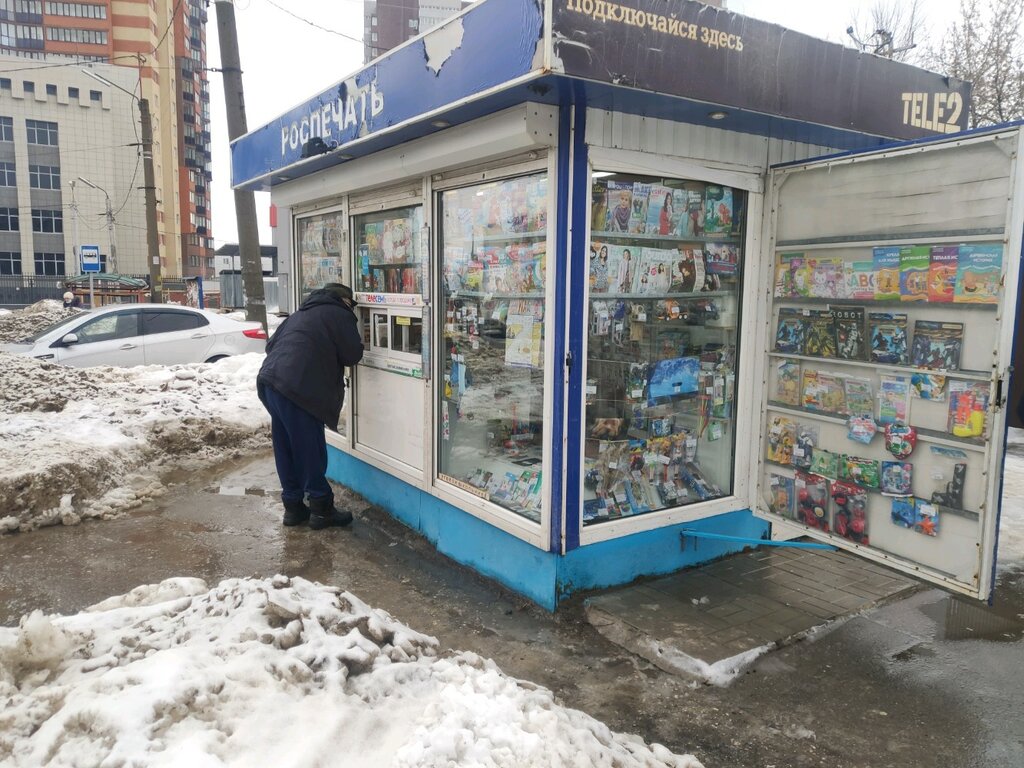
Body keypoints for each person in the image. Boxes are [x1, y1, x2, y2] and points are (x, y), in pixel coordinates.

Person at [257, 283, 364, 529]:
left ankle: (293, 508)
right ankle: (321, 508)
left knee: (285, 447)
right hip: (298, 389)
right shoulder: (340, 313)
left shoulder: (300, 313)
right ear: (345, 301)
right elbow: (352, 355)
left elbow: (270, 346)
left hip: (270, 382)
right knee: (309, 448)